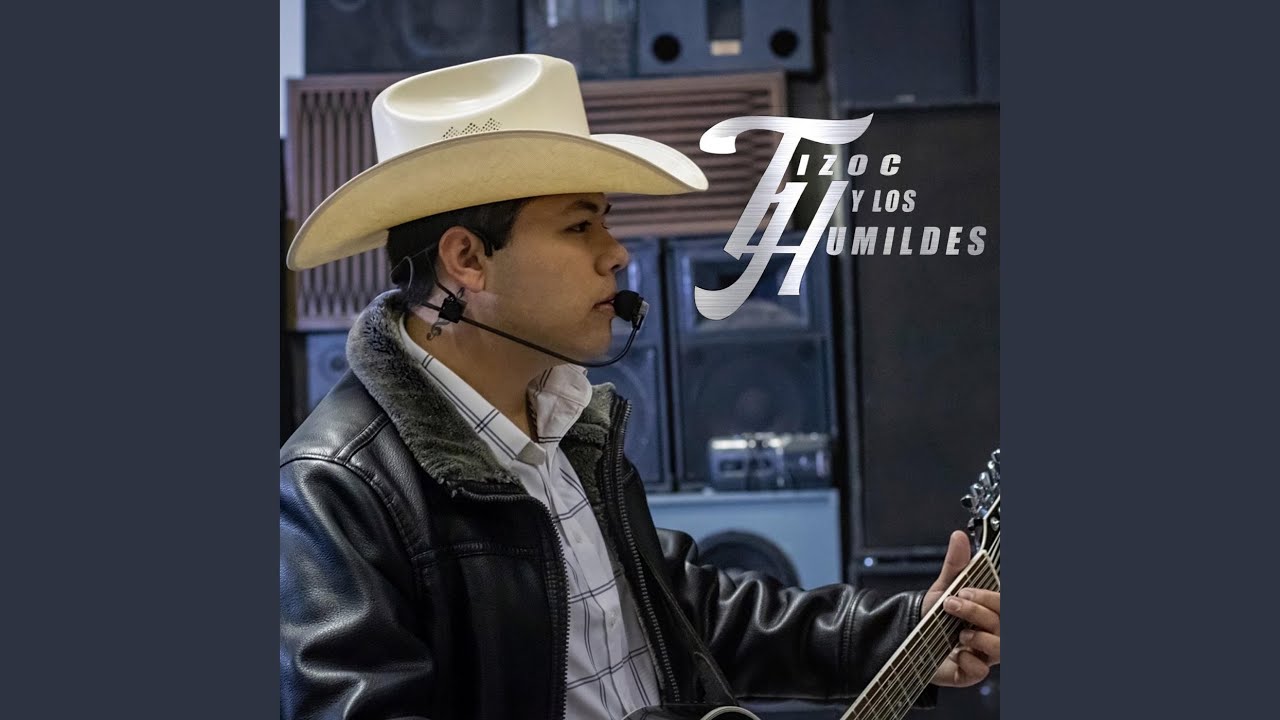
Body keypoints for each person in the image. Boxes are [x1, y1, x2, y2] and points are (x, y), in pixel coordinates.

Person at [279, 54, 1001, 720]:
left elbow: (680, 611)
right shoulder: (333, 490)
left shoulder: (568, 422)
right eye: (579, 225)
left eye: (606, 221)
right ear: (467, 259)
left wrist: (905, 633)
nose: (617, 253)